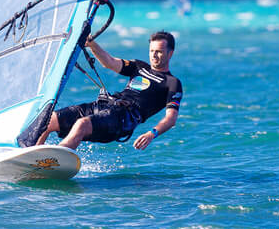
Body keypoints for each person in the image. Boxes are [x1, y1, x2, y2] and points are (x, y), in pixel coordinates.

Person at [36, 30, 183, 150]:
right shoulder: (139, 66)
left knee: (82, 124)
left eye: (159, 52)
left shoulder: (172, 83)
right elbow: (109, 62)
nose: (154, 56)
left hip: (123, 118)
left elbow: (171, 118)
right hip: (106, 105)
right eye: (152, 51)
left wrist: (152, 133)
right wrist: (91, 43)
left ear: (170, 53)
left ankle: (53, 162)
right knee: (50, 119)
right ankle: (31, 156)